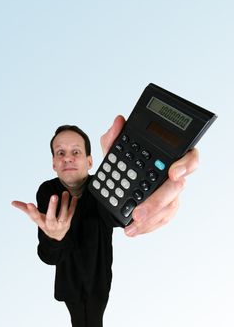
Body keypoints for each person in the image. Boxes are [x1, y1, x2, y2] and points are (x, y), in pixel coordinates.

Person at [12, 115, 198, 326]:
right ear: (54, 163)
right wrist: (54, 237)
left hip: (97, 281)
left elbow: (118, 217)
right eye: (60, 153)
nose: (68, 158)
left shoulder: (103, 186)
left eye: (76, 152)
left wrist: (145, 185)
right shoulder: (47, 191)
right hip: (70, 282)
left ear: (89, 161)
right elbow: (47, 256)